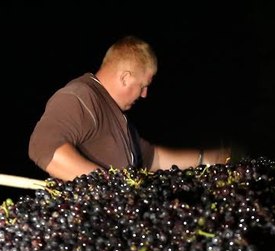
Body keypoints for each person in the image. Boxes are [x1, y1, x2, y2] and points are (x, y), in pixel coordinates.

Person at [28, 35, 231, 181]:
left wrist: (206, 159)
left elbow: (155, 159)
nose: (145, 95)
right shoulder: (81, 96)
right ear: (125, 77)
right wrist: (111, 185)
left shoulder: (118, 119)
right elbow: (44, 148)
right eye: (143, 86)